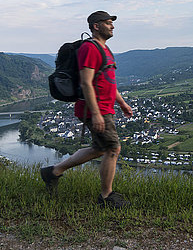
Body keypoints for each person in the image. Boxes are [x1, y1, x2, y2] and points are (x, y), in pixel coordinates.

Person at [40, 11, 133, 209]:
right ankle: (106, 196)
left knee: (100, 148)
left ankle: (53, 172)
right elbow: (86, 82)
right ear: (96, 26)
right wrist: (96, 113)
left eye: (112, 23)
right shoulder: (90, 49)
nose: (112, 26)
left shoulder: (105, 50)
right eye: (108, 23)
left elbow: (108, 81)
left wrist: (122, 103)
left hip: (105, 108)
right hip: (96, 109)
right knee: (112, 148)